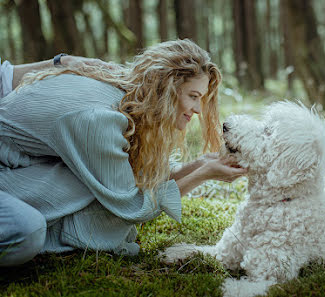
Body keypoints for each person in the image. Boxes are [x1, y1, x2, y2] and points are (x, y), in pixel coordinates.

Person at [0, 39, 247, 267]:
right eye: (193, 97)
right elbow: (131, 203)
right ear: (166, 90)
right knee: (83, 201)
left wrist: (201, 163)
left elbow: (138, 177)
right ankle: (67, 234)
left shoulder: (128, 91)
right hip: (8, 167)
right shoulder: (99, 120)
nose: (198, 110)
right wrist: (202, 174)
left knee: (99, 187)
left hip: (26, 162)